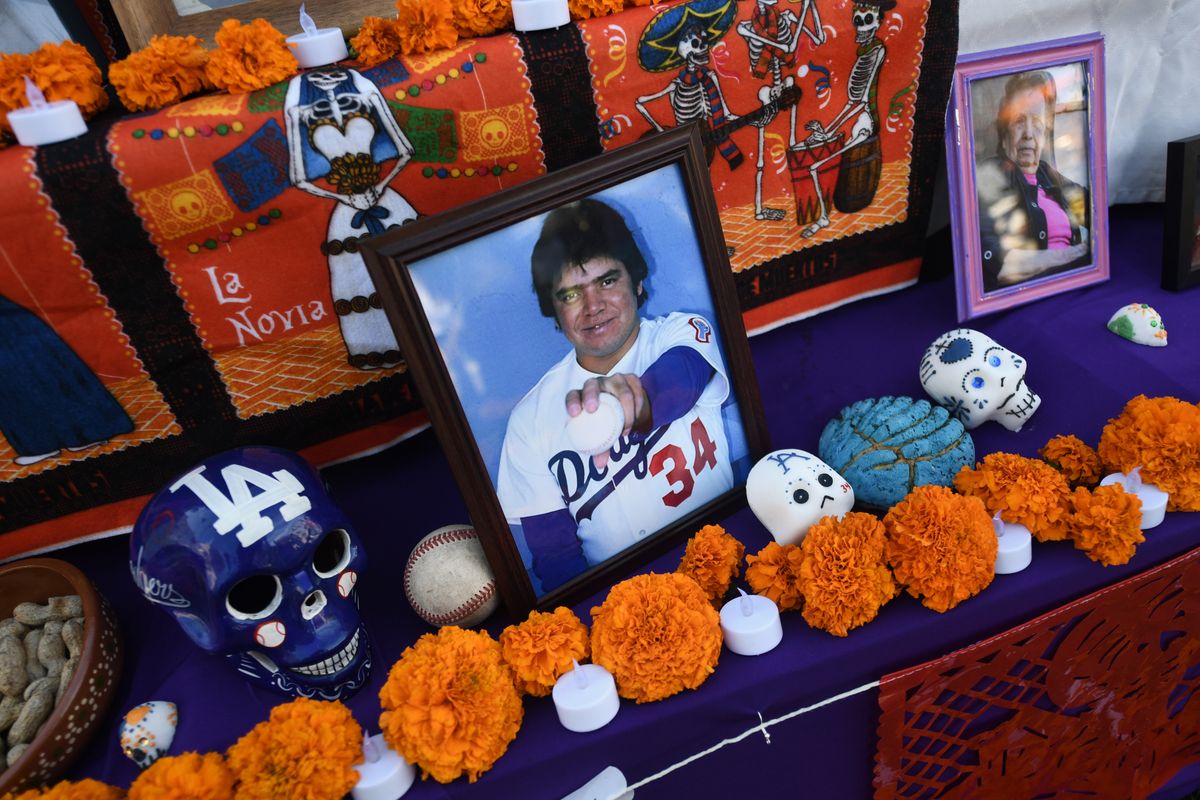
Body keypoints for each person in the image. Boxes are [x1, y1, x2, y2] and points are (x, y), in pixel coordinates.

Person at [497, 199, 734, 591]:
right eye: (571, 294)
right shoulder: (529, 419)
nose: (593, 307)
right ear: (553, 309)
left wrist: (630, 400)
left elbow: (679, 381)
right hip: (624, 603)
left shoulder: (681, 334)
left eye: (607, 281)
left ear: (637, 281)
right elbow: (556, 557)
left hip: (724, 561)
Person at [976, 70, 1090, 292]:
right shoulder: (991, 173)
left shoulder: (1047, 174)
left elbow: (1092, 210)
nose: (1028, 133)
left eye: (1037, 121)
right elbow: (996, 262)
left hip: (1077, 281)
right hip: (1035, 290)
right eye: (1019, 121)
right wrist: (1075, 255)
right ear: (1005, 131)